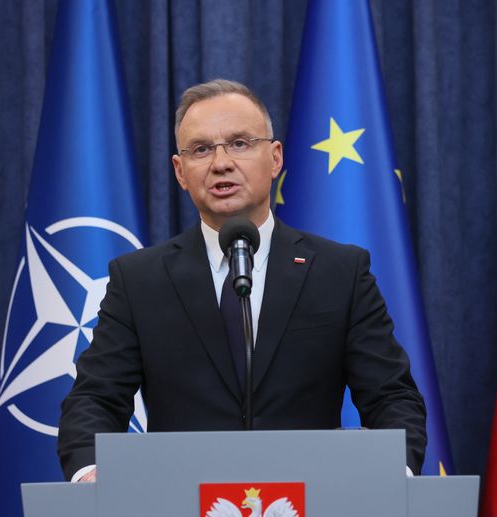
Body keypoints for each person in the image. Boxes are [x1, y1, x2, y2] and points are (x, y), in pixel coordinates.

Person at [57, 79, 427, 482]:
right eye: (201, 149)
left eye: (239, 143)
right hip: (179, 499)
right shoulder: (138, 280)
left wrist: (397, 474)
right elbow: (95, 398)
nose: (220, 163)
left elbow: (391, 396)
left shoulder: (340, 271)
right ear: (180, 172)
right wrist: (89, 473)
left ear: (275, 158)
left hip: (312, 499)